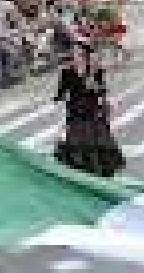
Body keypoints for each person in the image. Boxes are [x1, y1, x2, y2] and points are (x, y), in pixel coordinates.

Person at [53, 42, 124, 178]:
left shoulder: (94, 70)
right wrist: (58, 99)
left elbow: (102, 89)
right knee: (76, 139)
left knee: (99, 139)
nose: (76, 56)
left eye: (79, 53)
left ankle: (101, 169)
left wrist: (100, 94)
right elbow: (60, 92)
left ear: (85, 55)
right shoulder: (67, 71)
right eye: (74, 53)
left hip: (93, 109)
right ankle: (79, 169)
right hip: (75, 111)